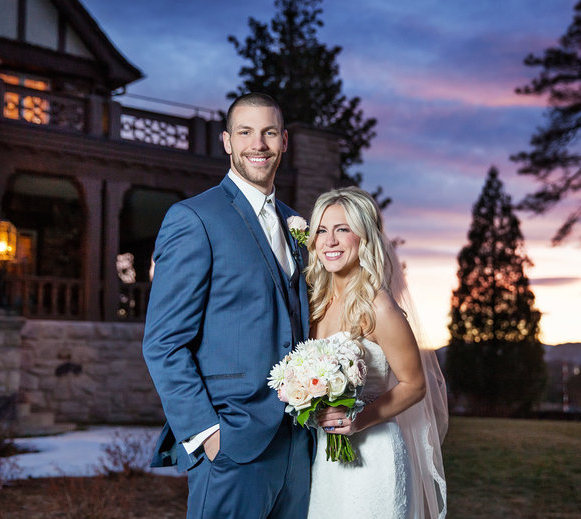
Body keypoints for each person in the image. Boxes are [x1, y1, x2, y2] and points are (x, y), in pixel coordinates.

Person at [142, 93, 312, 518]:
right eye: (246, 133)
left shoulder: (298, 224)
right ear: (227, 142)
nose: (259, 144)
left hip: (299, 444)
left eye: (269, 132)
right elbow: (163, 343)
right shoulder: (193, 219)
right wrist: (208, 434)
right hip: (233, 445)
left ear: (284, 141)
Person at [305, 187, 448, 519]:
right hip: (325, 460)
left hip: (373, 456)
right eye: (323, 231)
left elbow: (415, 384)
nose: (330, 241)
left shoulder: (379, 307)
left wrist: (359, 420)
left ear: (364, 237)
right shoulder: (316, 305)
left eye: (343, 229)